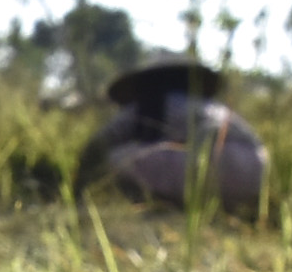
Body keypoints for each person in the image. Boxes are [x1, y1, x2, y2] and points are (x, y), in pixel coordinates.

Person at [78, 58, 268, 216]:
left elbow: (100, 142)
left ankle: (159, 207)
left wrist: (80, 180)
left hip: (212, 166)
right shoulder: (206, 105)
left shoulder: (147, 105)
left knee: (118, 157)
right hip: (256, 167)